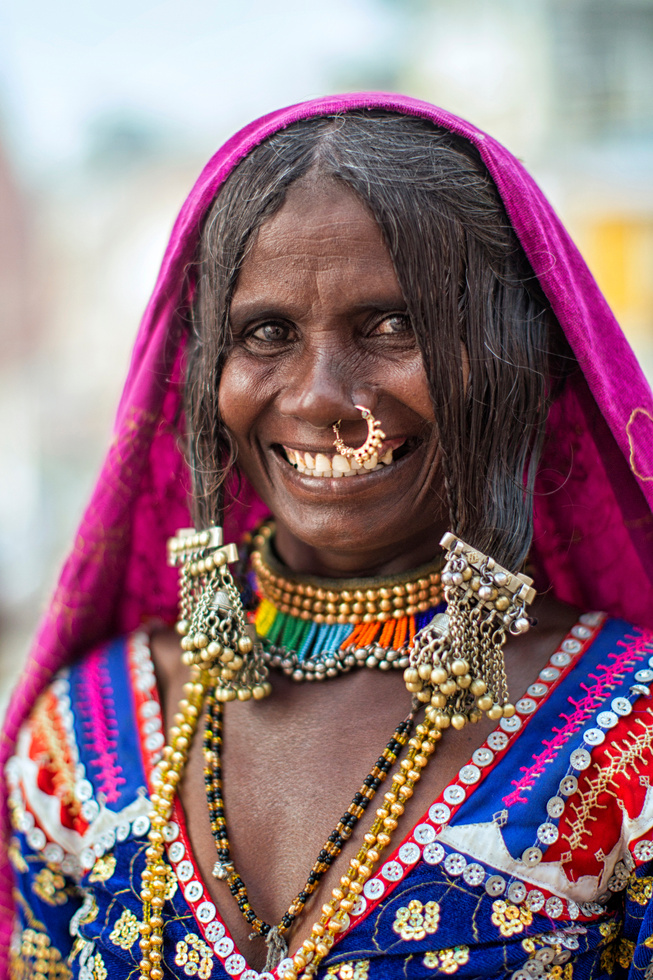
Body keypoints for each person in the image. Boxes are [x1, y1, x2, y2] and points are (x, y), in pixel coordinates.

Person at [2, 93, 653, 980]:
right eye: (265, 333)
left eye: (394, 325)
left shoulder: (629, 742)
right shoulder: (82, 739)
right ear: (204, 375)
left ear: (524, 359)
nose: (317, 397)